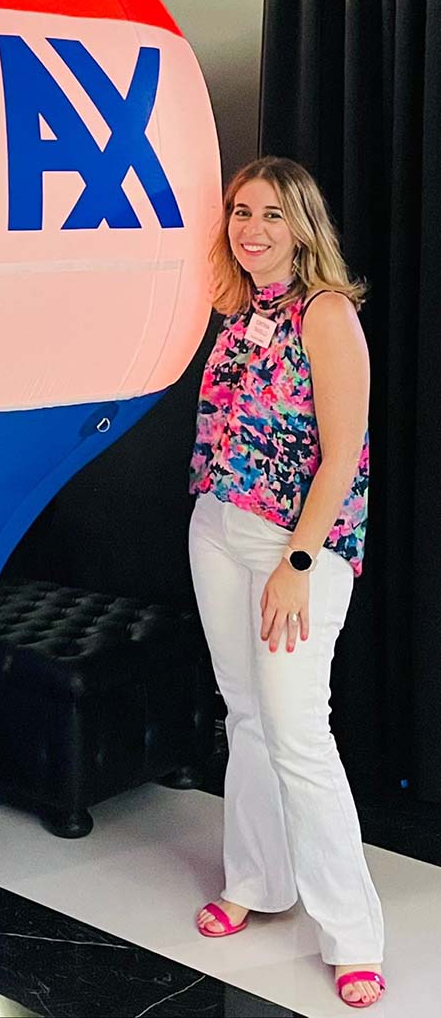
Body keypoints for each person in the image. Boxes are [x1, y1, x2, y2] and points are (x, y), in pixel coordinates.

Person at [187, 156, 386, 1009]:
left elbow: (342, 455)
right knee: (245, 714)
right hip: (216, 527)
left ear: (302, 226)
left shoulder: (326, 312)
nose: (252, 228)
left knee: (298, 730)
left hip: (295, 545)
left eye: (271, 214)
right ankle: (257, 881)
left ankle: (353, 936)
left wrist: (298, 564)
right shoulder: (239, 309)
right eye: (241, 211)